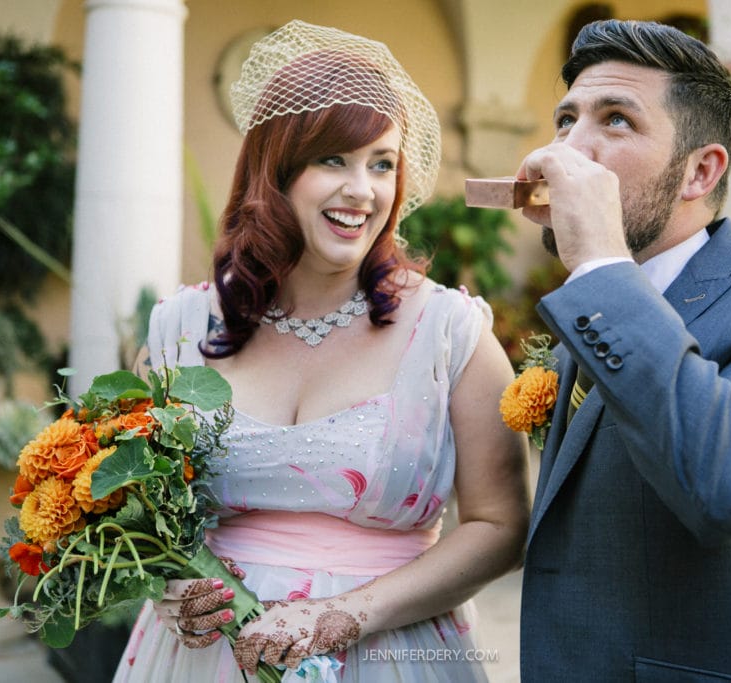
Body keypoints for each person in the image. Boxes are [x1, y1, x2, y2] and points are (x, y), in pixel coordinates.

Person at [112, 20, 529, 683]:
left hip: (388, 656)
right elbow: (127, 503)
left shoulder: (451, 332)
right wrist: (167, 583)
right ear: (275, 170)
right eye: (333, 159)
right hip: (203, 659)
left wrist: (340, 615)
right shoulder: (177, 329)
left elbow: (501, 526)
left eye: (382, 163)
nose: (363, 190)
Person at [516, 19, 731, 682]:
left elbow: (729, 484)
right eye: (566, 120)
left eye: (616, 120)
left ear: (699, 171)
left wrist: (599, 263)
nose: (569, 149)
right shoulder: (595, 314)